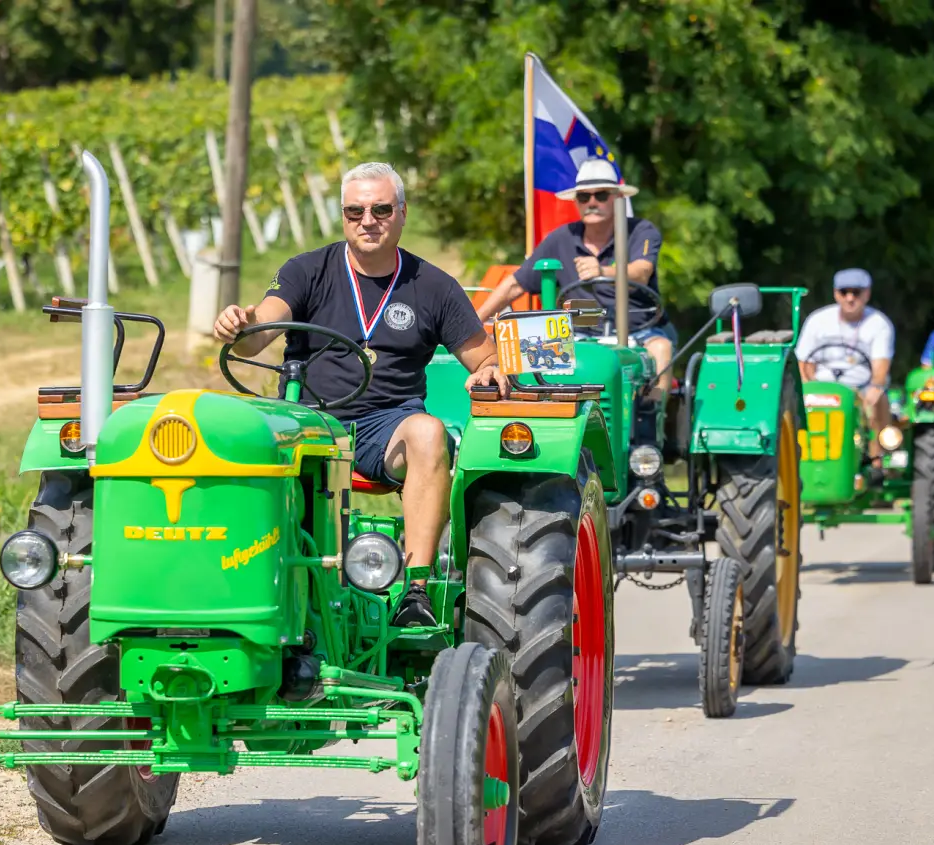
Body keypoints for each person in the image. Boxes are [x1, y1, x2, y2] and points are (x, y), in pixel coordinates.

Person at [213, 162, 508, 626]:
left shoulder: (434, 286)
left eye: (380, 209)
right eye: (355, 211)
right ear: (343, 216)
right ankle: (234, 587)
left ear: (402, 213)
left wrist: (487, 373)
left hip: (385, 427)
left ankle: (416, 591)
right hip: (307, 421)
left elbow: (486, 359)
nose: (367, 220)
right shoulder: (305, 270)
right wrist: (239, 324)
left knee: (430, 433)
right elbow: (255, 336)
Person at [474, 158, 676, 399]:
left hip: (638, 331)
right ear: (576, 202)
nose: (592, 203)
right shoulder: (561, 238)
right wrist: (473, 324)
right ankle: (538, 422)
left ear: (618, 198)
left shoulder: (641, 231)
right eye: (584, 197)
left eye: (601, 195)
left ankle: (651, 424)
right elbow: (515, 284)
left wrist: (603, 271)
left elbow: (641, 272)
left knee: (662, 349)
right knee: (522, 356)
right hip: (577, 334)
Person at [795, 267, 896, 463]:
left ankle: (875, 459)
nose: (850, 298)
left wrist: (874, 389)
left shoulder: (879, 324)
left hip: (861, 386)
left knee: (877, 398)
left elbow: (880, 368)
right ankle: (804, 458)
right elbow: (804, 363)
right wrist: (808, 389)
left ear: (867, 294)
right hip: (822, 386)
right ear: (835, 294)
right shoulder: (818, 321)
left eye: (856, 293)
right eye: (844, 292)